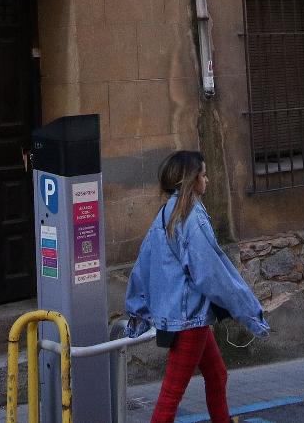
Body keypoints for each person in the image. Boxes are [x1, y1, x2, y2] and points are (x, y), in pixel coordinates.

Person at [124, 150, 269, 423]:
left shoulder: (166, 214)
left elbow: (144, 264)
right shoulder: (191, 218)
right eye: (203, 174)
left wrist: (138, 309)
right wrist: (248, 311)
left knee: (217, 375)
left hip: (183, 315)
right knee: (171, 396)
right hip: (190, 318)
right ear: (191, 180)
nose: (208, 179)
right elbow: (211, 273)